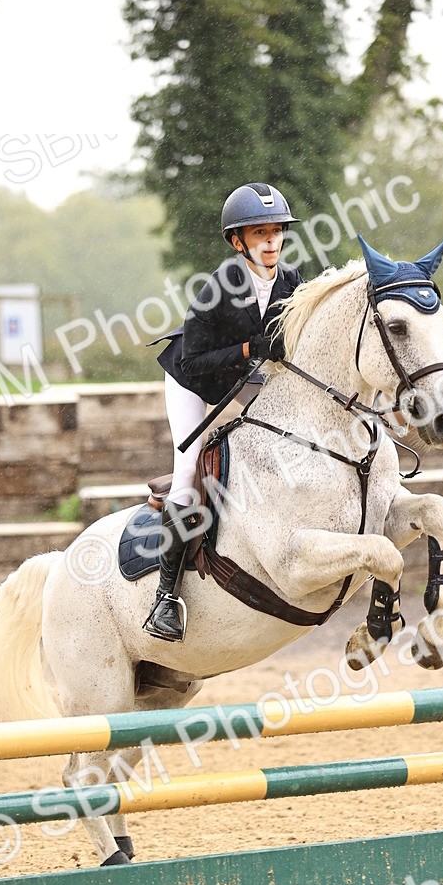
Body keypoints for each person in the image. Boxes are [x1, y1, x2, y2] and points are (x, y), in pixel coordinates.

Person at [144, 181, 304, 642]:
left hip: (238, 382)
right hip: (192, 381)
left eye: (276, 232)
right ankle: (166, 598)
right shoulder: (219, 285)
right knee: (189, 469)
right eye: (259, 234)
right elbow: (193, 360)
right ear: (239, 242)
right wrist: (251, 346)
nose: (271, 241)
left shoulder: (291, 282)